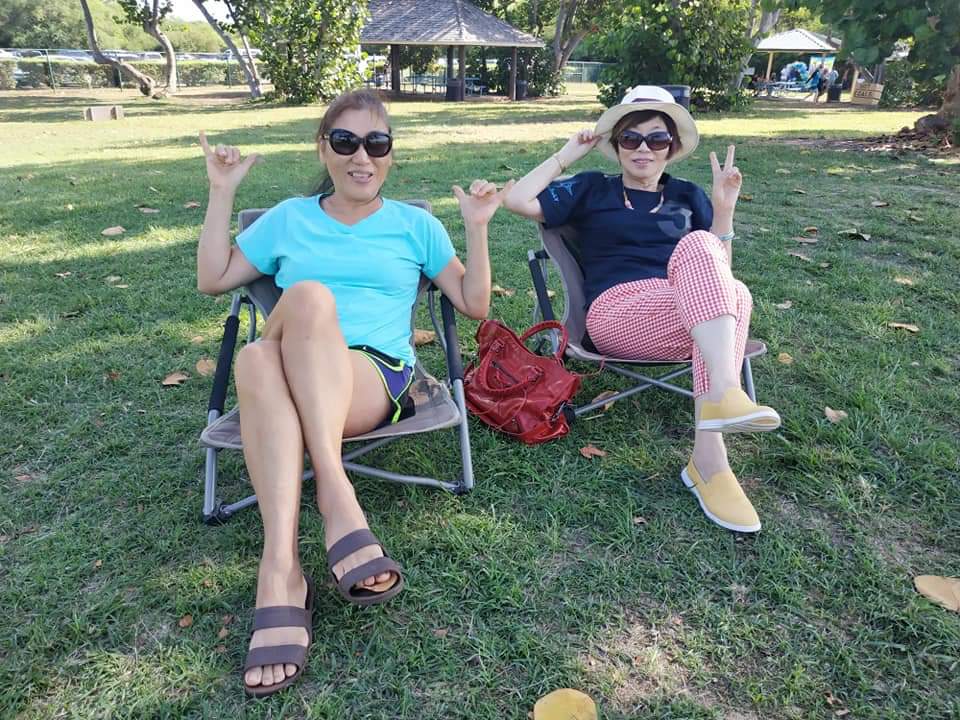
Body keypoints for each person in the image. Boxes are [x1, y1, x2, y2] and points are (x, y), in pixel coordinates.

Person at [196, 89, 511, 697]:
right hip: (289, 375)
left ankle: (317, 514)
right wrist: (222, 191)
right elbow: (213, 279)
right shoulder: (287, 216)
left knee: (279, 335)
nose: (360, 156)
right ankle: (287, 560)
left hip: (373, 375)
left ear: (390, 155)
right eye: (345, 142)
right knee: (266, 351)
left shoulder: (415, 225)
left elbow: (472, 304)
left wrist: (475, 228)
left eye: (376, 143)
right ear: (324, 148)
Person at [503, 85, 781, 534]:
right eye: (631, 138)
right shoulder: (592, 188)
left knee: (732, 283)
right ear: (616, 146)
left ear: (671, 148)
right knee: (710, 259)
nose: (644, 148)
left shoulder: (689, 195)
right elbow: (515, 200)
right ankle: (724, 399)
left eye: (657, 139)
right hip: (616, 313)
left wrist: (724, 211)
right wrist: (568, 154)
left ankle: (710, 462)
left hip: (684, 310)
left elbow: (718, 277)